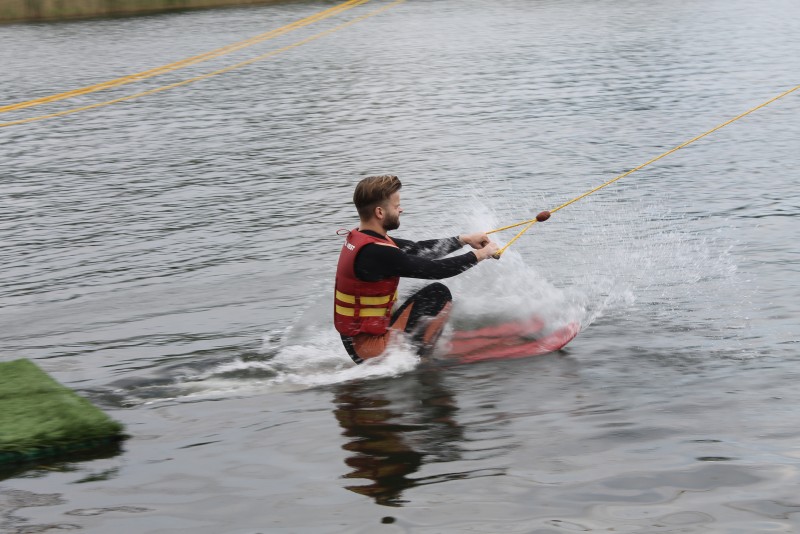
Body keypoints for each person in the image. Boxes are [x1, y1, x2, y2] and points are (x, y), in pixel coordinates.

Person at [334, 175, 499, 363]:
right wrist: (480, 255)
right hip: (368, 349)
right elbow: (434, 270)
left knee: (418, 293)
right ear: (380, 212)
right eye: (396, 206)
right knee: (438, 294)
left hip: (358, 339)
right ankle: (420, 361)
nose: (401, 209)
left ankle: (413, 342)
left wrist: (464, 239)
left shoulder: (363, 238)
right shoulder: (376, 252)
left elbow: (418, 250)